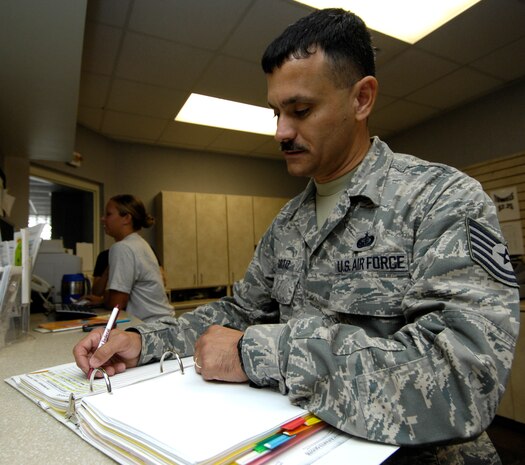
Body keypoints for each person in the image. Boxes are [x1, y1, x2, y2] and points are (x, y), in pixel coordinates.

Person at [74, 9, 520, 464]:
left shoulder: (441, 199)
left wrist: (261, 353)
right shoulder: (286, 223)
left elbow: (464, 379)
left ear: (361, 99)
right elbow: (239, 312)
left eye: (301, 110)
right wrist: (146, 342)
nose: (281, 131)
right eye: (276, 112)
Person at [96, 194, 173, 321]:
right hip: (163, 323)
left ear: (126, 218)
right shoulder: (140, 243)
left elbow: (117, 304)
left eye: (108, 214)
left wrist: (101, 301)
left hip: (150, 326)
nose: (102, 218)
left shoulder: (123, 247)